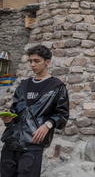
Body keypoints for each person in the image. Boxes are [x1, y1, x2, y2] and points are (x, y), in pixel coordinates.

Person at [0, 45, 69, 177]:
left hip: (33, 143)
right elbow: (15, 109)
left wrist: (48, 125)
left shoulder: (57, 87)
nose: (32, 64)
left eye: (36, 61)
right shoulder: (23, 85)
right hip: (11, 142)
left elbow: (62, 115)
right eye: (31, 61)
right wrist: (8, 116)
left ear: (47, 62)